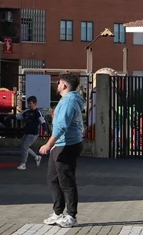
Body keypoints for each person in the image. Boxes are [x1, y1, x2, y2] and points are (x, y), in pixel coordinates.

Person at [40, 73, 85, 229]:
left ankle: (71, 216)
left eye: (58, 82)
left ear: (64, 85)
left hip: (67, 145)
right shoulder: (68, 100)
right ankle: (58, 212)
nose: (56, 85)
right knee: (52, 178)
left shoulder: (69, 101)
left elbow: (61, 126)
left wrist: (48, 144)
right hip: (60, 145)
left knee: (66, 181)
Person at [11, 95, 46, 170]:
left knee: (24, 147)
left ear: (35, 103)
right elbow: (19, 116)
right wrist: (9, 117)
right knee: (24, 147)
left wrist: (45, 129)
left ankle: (23, 164)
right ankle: (37, 157)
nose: (29, 105)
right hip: (27, 132)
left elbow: (42, 121)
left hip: (33, 133)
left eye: (30, 103)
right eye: (28, 103)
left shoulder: (37, 112)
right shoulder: (27, 112)